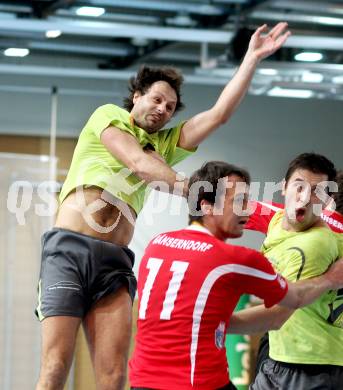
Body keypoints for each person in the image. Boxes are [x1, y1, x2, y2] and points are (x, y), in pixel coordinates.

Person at [35, 22, 291, 390]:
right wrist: (200, 191)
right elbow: (139, 163)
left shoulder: (167, 144)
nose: (162, 109)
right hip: (69, 251)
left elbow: (218, 115)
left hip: (115, 260)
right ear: (136, 95)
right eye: (156, 99)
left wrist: (251, 58)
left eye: (170, 107)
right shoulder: (108, 117)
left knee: (112, 375)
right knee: (56, 366)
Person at [129, 161, 343, 390]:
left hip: (141, 379)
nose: (245, 210)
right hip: (199, 382)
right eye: (239, 202)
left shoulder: (156, 244)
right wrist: (330, 279)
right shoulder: (236, 258)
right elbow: (284, 310)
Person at [227, 153, 343, 390]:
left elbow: (280, 312)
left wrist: (211, 322)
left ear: (329, 200)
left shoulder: (313, 240)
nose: (305, 198)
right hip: (296, 352)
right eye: (300, 187)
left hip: (305, 359)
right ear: (285, 186)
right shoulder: (284, 218)